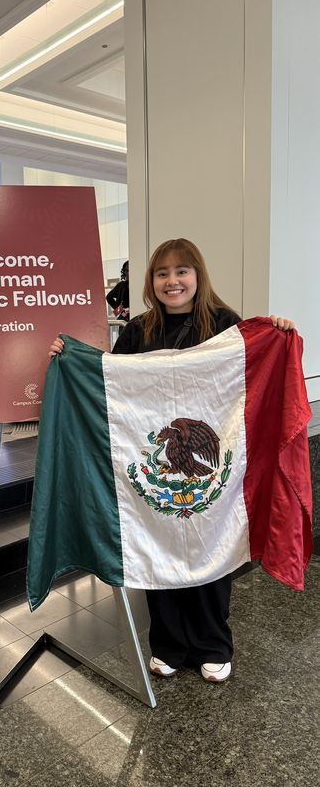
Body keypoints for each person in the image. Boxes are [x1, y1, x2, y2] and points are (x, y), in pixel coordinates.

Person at [49, 238, 294, 683]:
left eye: (181, 271)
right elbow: (110, 388)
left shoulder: (225, 325)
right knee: (155, 549)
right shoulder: (137, 331)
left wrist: (275, 332)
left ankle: (212, 644)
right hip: (154, 470)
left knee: (210, 551)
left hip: (212, 473)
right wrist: (71, 360)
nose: (172, 281)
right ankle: (168, 645)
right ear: (151, 281)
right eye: (162, 273)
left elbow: (252, 370)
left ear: (198, 275)